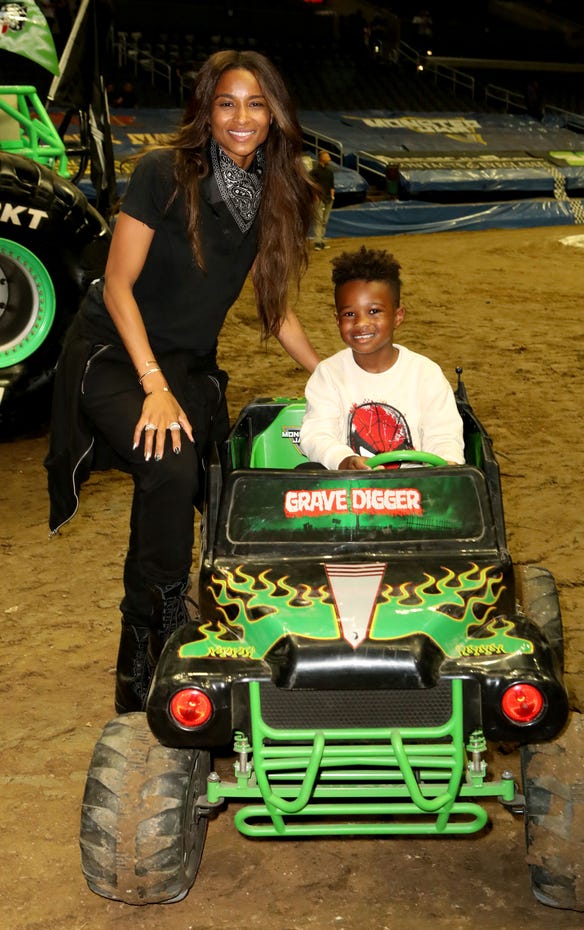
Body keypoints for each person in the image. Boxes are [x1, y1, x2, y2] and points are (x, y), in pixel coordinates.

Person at [45, 50, 320, 714]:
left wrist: (331, 375)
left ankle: (239, 625)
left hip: (187, 369)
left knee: (228, 485)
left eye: (256, 104)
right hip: (114, 354)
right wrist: (152, 385)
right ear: (206, 110)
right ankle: (147, 643)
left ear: (275, 114)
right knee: (169, 467)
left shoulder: (275, 195)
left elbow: (275, 309)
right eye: (227, 103)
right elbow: (115, 285)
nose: (241, 118)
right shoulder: (163, 172)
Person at [299, 245, 464, 470]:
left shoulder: (426, 375)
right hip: (350, 493)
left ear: (398, 316)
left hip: (417, 494)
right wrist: (344, 459)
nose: (361, 323)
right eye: (349, 314)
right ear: (337, 320)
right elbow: (317, 434)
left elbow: (444, 435)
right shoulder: (328, 375)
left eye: (374, 311)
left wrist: (446, 464)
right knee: (307, 472)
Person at [309, 149, 335, 250]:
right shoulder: (314, 172)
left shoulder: (330, 172)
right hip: (319, 200)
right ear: (321, 158)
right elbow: (312, 186)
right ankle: (317, 243)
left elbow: (332, 185)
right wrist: (315, 197)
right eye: (327, 156)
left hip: (328, 199)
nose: (329, 158)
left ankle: (322, 241)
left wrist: (332, 196)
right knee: (318, 221)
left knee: (324, 221)